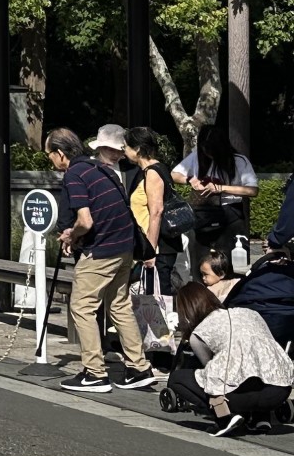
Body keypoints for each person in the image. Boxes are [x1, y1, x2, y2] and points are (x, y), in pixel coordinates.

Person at [47, 127, 157, 392]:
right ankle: (139, 367)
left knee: (82, 307)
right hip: (124, 248)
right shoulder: (101, 168)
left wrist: (72, 236)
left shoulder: (74, 173)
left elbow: (85, 220)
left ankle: (95, 373)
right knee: (118, 305)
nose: (50, 159)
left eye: (50, 154)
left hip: (101, 251)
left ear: (61, 154)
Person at [161, 281, 294, 436]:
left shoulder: (199, 333)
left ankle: (224, 418)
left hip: (241, 397)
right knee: (256, 366)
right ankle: (260, 419)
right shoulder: (250, 313)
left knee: (179, 378)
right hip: (280, 391)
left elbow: (210, 368)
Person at [173, 123, 258, 268]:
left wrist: (222, 188)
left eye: (211, 150)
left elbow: (252, 190)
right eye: (204, 150)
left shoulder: (239, 161)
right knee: (199, 261)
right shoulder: (196, 157)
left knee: (231, 262)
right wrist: (190, 180)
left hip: (230, 212)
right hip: (203, 213)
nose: (208, 154)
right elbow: (174, 174)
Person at [123, 126, 181, 293]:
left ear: (138, 149)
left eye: (126, 146)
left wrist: (149, 250)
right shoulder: (152, 170)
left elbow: (156, 211)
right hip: (153, 244)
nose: (124, 151)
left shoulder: (153, 173)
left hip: (158, 247)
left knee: (157, 299)